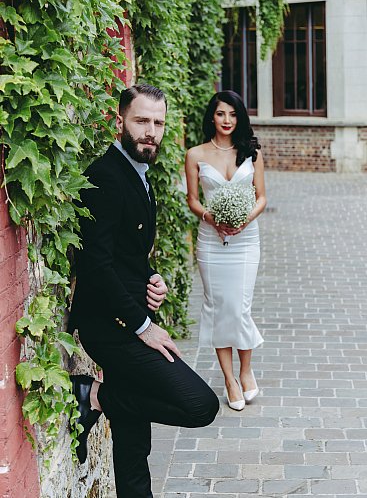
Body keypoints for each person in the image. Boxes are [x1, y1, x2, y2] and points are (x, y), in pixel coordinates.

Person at [68, 84, 219, 497]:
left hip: (130, 314)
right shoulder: (105, 176)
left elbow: (125, 253)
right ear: (120, 122)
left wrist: (152, 278)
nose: (151, 131)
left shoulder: (137, 174)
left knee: (135, 444)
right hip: (111, 326)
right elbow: (94, 265)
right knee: (200, 405)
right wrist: (143, 326)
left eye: (158, 123)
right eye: (141, 121)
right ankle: (93, 395)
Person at [185, 90, 266, 411]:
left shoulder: (252, 153)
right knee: (218, 308)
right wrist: (211, 218)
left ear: (240, 117)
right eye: (221, 114)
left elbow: (261, 197)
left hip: (246, 241)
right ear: (212, 117)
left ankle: (246, 370)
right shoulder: (195, 154)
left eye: (233, 115)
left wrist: (243, 220)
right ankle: (229, 379)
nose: (227, 121)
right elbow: (193, 199)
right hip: (211, 242)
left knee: (240, 307)